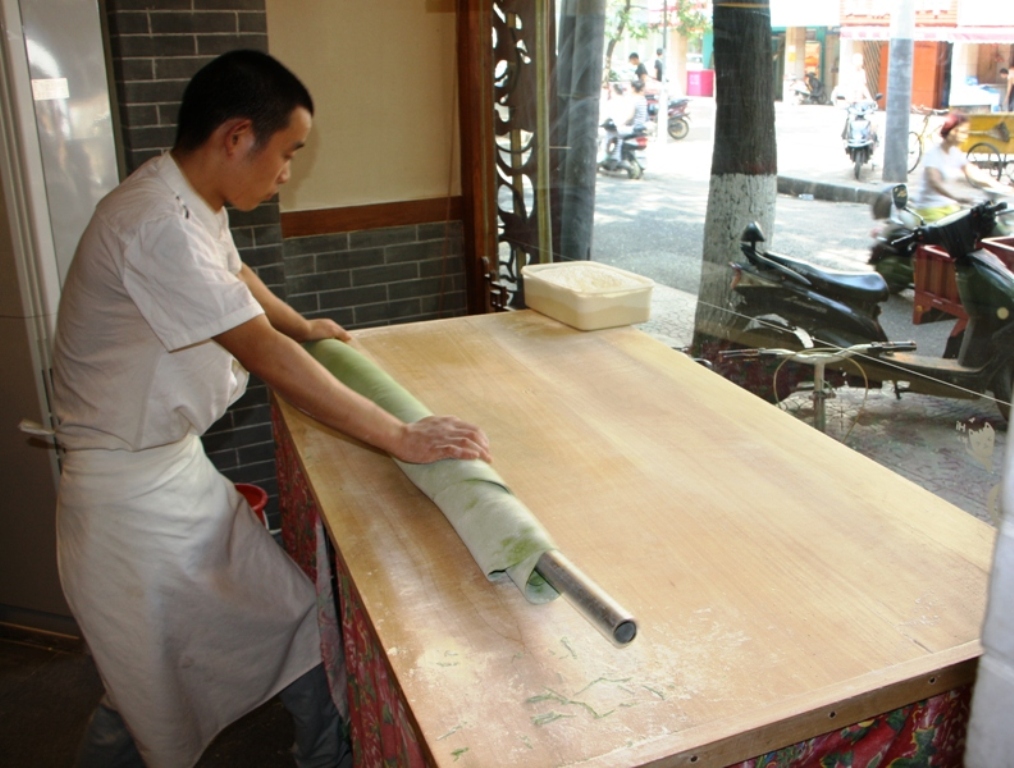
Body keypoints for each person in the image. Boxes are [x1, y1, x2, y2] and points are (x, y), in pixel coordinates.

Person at [52, 49, 491, 768]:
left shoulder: (185, 197)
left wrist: (303, 324)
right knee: (147, 695)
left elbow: (237, 277)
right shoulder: (154, 223)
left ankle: (324, 756)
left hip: (172, 477)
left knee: (290, 624)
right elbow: (264, 358)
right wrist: (401, 435)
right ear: (235, 138)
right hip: (125, 507)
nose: (288, 172)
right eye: (287, 153)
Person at [912, 111, 1009, 222]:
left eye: (965, 132)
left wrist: (999, 187)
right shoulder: (933, 154)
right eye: (962, 132)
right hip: (929, 208)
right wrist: (956, 197)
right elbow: (935, 182)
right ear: (951, 131)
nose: (964, 136)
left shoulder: (955, 153)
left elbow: (973, 172)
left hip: (950, 207)